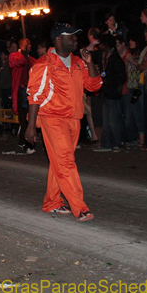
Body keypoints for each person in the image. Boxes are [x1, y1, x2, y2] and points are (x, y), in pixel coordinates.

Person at [25, 23, 102, 222]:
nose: (76, 39)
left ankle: (52, 202)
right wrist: (31, 126)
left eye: (76, 36)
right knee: (66, 161)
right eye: (72, 36)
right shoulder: (44, 63)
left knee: (60, 162)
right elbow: (34, 95)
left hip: (74, 119)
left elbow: (93, 86)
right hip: (52, 118)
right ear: (58, 40)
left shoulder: (79, 62)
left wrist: (90, 62)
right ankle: (80, 207)